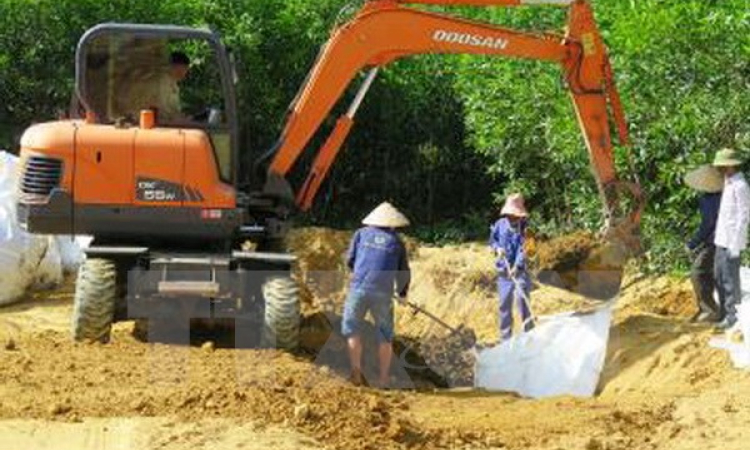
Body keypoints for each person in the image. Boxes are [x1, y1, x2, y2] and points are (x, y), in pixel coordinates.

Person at [342, 202, 411, 387]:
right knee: (385, 335)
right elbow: (403, 271)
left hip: (358, 289)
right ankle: (383, 379)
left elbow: (350, 260)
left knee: (352, 330)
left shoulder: (360, 235)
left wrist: (357, 274)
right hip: (383, 293)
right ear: (392, 224)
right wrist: (402, 293)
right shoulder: (396, 242)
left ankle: (356, 373)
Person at [712, 148, 750, 331]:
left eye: (722, 166)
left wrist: (735, 243)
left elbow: (744, 215)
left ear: (731, 165)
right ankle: (724, 312)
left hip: (731, 241)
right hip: (722, 238)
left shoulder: (741, 185)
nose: (719, 169)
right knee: (719, 276)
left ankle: (732, 316)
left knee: (730, 280)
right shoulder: (728, 182)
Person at [490, 193, 533, 341]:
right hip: (504, 272)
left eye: (515, 215)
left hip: (521, 272)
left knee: (522, 301)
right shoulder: (499, 224)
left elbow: (525, 249)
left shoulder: (525, 228)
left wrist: (517, 265)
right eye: (509, 214)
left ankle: (529, 335)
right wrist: (497, 249)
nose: (511, 217)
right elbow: (493, 241)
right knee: (504, 304)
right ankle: (505, 338)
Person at [684, 165, 723, 323]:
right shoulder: (724, 195)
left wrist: (692, 243)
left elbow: (707, 224)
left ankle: (710, 310)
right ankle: (707, 309)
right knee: (710, 273)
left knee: (698, 272)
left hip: (716, 241)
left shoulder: (707, 199)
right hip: (724, 239)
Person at [157, 51, 190, 121]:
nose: (184, 72)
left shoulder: (174, 85)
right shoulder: (162, 82)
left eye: (185, 69)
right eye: (180, 69)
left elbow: (174, 110)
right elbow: (162, 111)